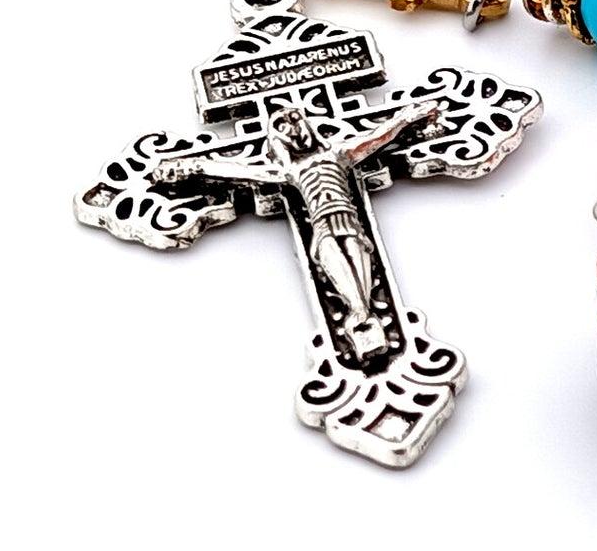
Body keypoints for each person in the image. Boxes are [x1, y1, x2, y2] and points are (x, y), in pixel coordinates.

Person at [153, 99, 442, 360]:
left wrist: (406, 118)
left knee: (359, 268)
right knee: (335, 266)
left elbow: (377, 137)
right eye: (282, 125)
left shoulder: (339, 154)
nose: (292, 128)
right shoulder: (290, 171)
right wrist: (194, 166)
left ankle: (363, 316)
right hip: (322, 227)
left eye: (294, 119)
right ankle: (360, 318)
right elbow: (241, 171)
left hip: (349, 221)